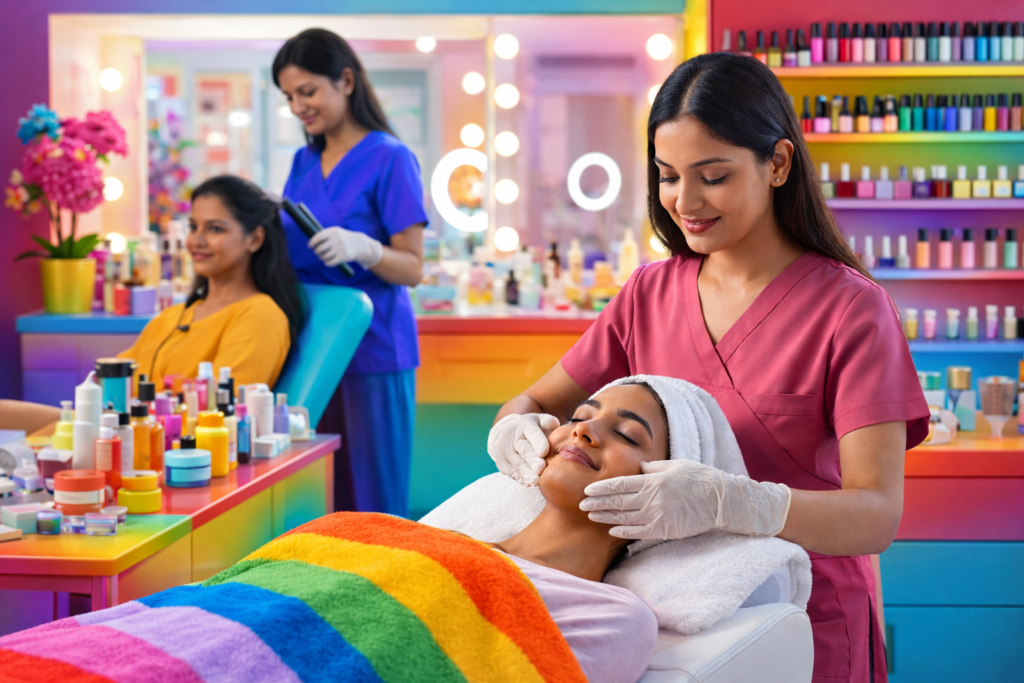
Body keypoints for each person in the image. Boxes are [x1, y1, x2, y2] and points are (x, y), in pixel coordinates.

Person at [487, 53, 929, 683]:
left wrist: (733, 503)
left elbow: (876, 515)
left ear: (777, 164)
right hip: (671, 612)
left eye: (713, 176)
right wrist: (514, 429)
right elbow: (531, 403)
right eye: (667, 176)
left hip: (805, 619)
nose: (684, 201)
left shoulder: (853, 310)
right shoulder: (648, 294)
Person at [273, 28, 428, 517]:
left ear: (345, 80)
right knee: (319, 494)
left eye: (308, 91)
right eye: (289, 96)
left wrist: (364, 248)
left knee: (372, 498)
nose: (299, 106)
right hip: (313, 349)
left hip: (374, 350)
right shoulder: (303, 161)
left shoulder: (390, 158)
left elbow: (413, 267)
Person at [118, 175, 304, 391]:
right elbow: (111, 384)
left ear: (254, 239)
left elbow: (219, 412)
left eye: (215, 229)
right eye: (193, 227)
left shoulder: (260, 316)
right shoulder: (171, 317)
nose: (196, 241)